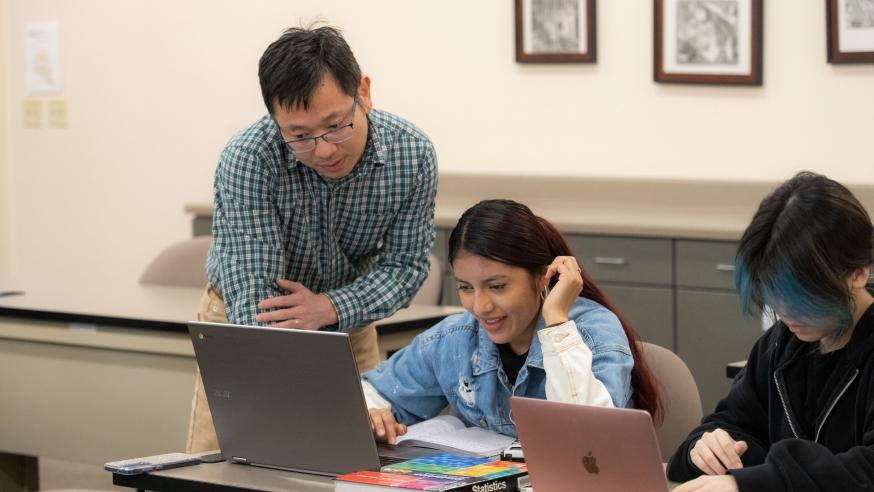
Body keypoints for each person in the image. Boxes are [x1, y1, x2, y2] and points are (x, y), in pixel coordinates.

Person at [187, 25, 438, 452]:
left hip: (347, 325)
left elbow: (406, 267)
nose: (323, 150)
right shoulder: (250, 158)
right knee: (231, 462)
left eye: (336, 126)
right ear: (276, 120)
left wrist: (328, 308)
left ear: (364, 92)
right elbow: (253, 294)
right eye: (300, 136)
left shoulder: (410, 154)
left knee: (357, 459)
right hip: (249, 323)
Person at [360, 199, 662, 443]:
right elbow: (372, 391)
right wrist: (373, 411)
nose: (480, 306)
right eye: (466, 287)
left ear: (542, 277)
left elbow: (593, 438)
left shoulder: (591, 331)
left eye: (497, 286)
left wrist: (556, 321)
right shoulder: (455, 338)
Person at [667, 172, 874, 491]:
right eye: (774, 294)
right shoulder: (782, 346)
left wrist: (749, 485)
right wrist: (706, 447)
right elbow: (731, 422)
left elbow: (865, 471)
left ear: (858, 274)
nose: (785, 313)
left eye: (801, 295)